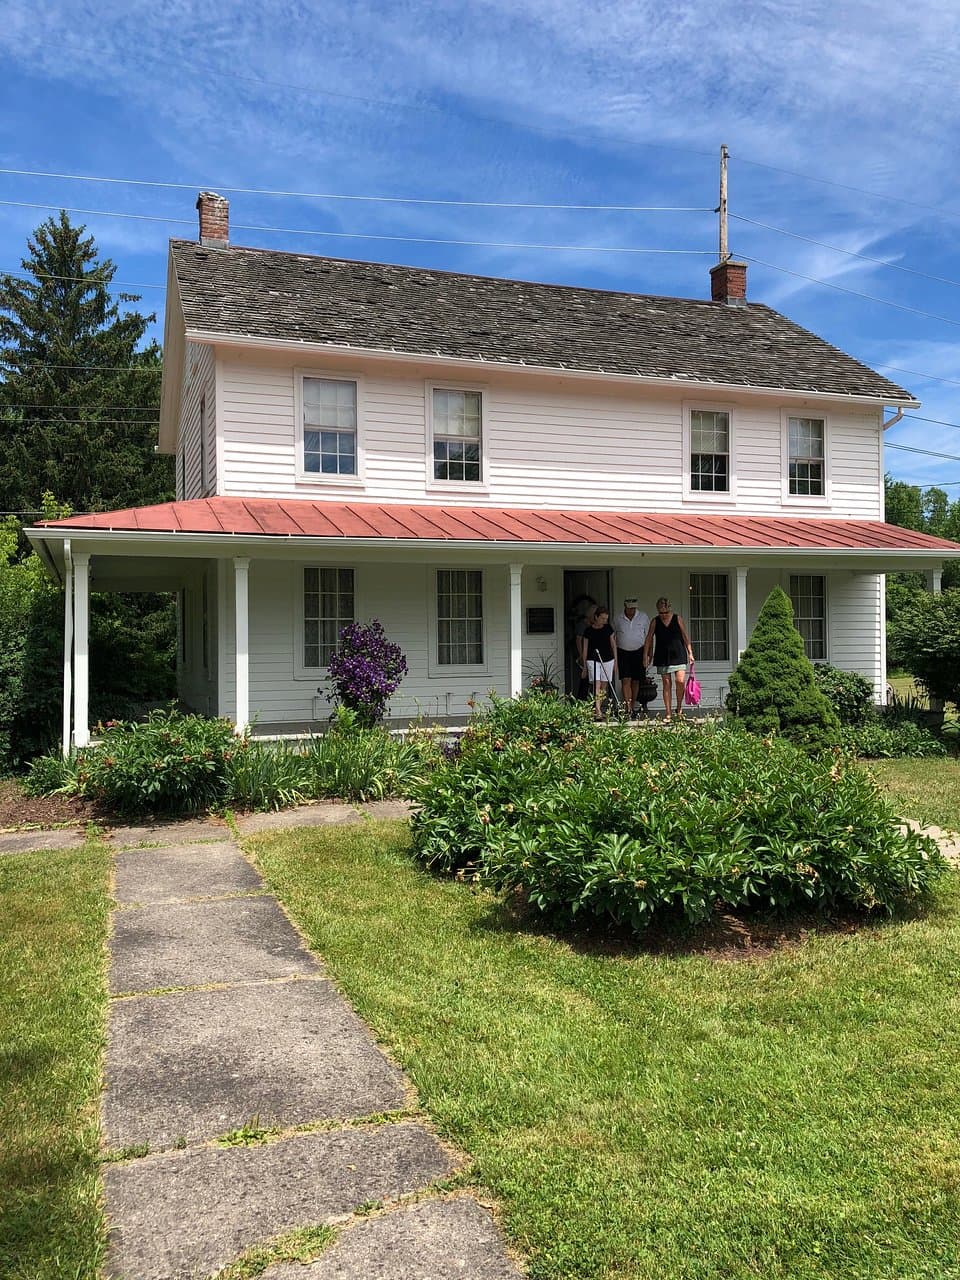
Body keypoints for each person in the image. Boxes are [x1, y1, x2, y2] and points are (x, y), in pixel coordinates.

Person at [643, 596, 694, 720]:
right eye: (661, 613)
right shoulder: (655, 621)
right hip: (662, 655)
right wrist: (645, 655)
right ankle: (668, 712)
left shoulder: (677, 619)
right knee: (666, 683)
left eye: (666, 612)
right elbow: (649, 638)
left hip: (679, 654)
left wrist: (690, 652)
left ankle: (679, 707)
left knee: (680, 681)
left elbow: (685, 636)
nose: (664, 615)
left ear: (670, 609)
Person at [613, 597, 650, 718]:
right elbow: (612, 636)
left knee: (636, 680)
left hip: (639, 651)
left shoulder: (643, 617)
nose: (632, 610)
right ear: (625, 607)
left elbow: (649, 637)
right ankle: (628, 708)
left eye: (634, 608)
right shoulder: (617, 619)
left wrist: (649, 654)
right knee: (625, 679)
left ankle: (632, 705)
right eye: (629, 608)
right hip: (622, 652)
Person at [582, 604, 618, 719]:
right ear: (596, 617)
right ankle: (598, 711)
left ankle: (596, 708)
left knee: (604, 685)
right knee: (596, 684)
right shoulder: (588, 631)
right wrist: (584, 666)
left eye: (606, 619)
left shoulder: (608, 628)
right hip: (593, 659)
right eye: (602, 618)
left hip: (608, 659)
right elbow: (585, 649)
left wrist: (616, 662)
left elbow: (613, 646)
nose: (604, 621)